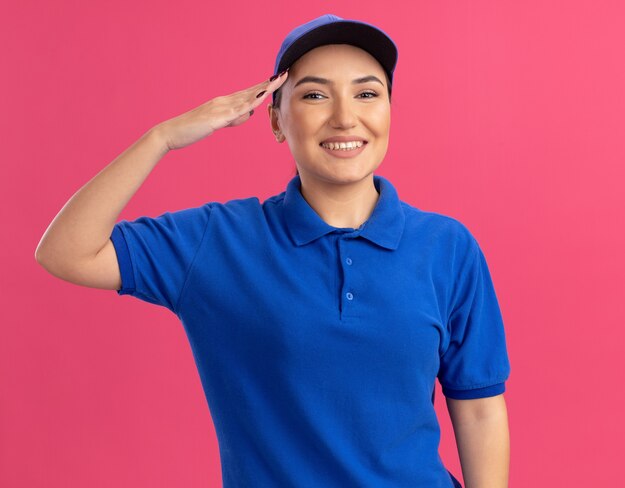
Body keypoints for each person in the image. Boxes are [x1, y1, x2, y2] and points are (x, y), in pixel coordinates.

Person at [35, 13, 511, 488]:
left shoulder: (448, 248)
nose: (345, 116)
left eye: (367, 93)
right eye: (314, 95)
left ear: (389, 111)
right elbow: (65, 252)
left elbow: (478, 411)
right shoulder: (218, 242)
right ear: (276, 119)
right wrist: (164, 137)